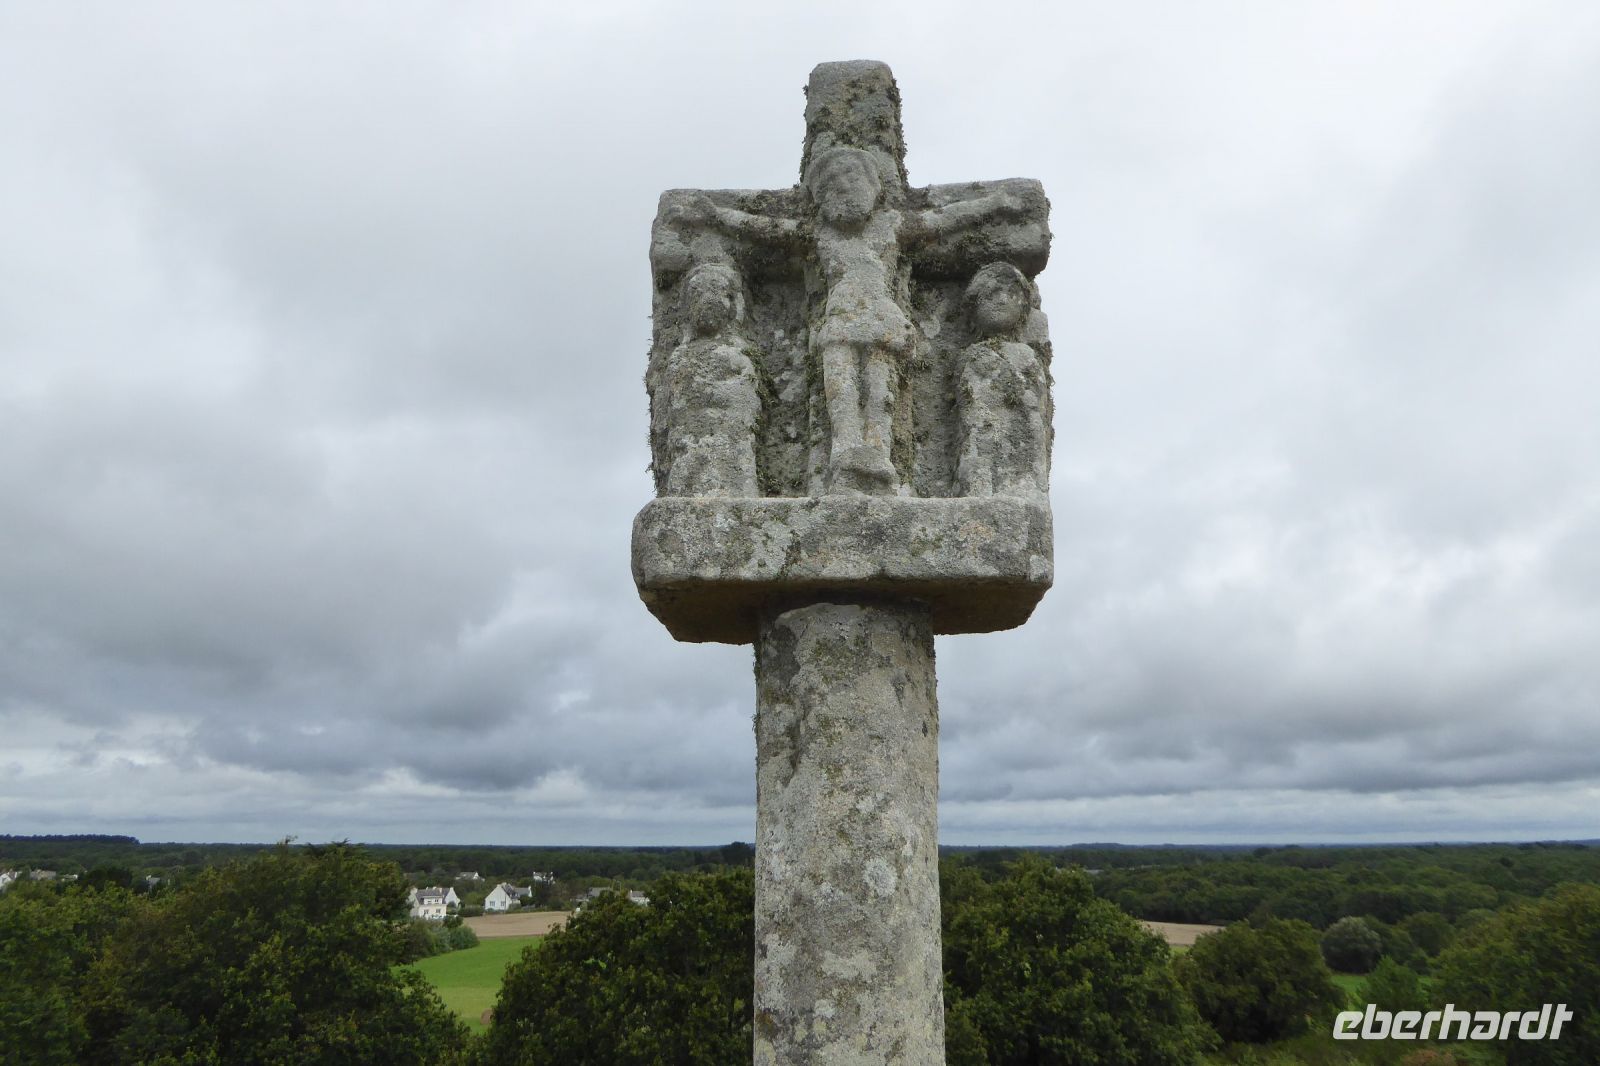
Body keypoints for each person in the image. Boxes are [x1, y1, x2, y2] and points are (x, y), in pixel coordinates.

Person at [680, 147, 1023, 494]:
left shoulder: (891, 226)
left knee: (879, 390)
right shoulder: (818, 234)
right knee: (840, 389)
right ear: (821, 197)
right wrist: (713, 215)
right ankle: (844, 454)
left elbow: (944, 219)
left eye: (853, 177)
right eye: (832, 182)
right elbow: (763, 228)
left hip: (880, 316)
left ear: (875, 188)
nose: (844, 186)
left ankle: (877, 456)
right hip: (841, 317)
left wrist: (993, 205)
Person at [657, 261, 762, 497]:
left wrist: (708, 393)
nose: (709, 301)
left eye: (720, 294)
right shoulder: (681, 356)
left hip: (732, 444)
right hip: (690, 443)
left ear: (733, 305)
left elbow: (748, 399)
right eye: (698, 293)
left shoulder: (736, 353)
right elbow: (674, 403)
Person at [955, 262, 1048, 500]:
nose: (1003, 300)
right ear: (975, 303)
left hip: (1022, 437)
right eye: (993, 293)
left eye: (1012, 294)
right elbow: (971, 406)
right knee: (977, 456)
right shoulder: (972, 356)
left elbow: (1036, 401)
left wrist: (1019, 393)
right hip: (982, 433)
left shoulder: (1026, 355)